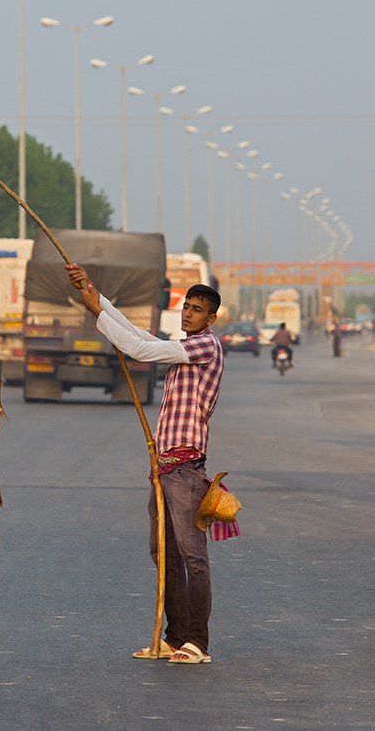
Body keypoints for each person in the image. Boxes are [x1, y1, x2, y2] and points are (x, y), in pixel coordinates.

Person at [66, 263, 224, 666]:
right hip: (165, 468)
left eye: (197, 309)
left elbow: (141, 350)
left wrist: (98, 314)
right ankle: (174, 638)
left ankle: (198, 643)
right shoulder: (184, 345)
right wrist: (95, 295)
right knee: (164, 554)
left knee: (192, 556)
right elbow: (141, 337)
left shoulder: (206, 346)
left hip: (187, 469)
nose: (188, 313)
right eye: (186, 306)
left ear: (211, 318)